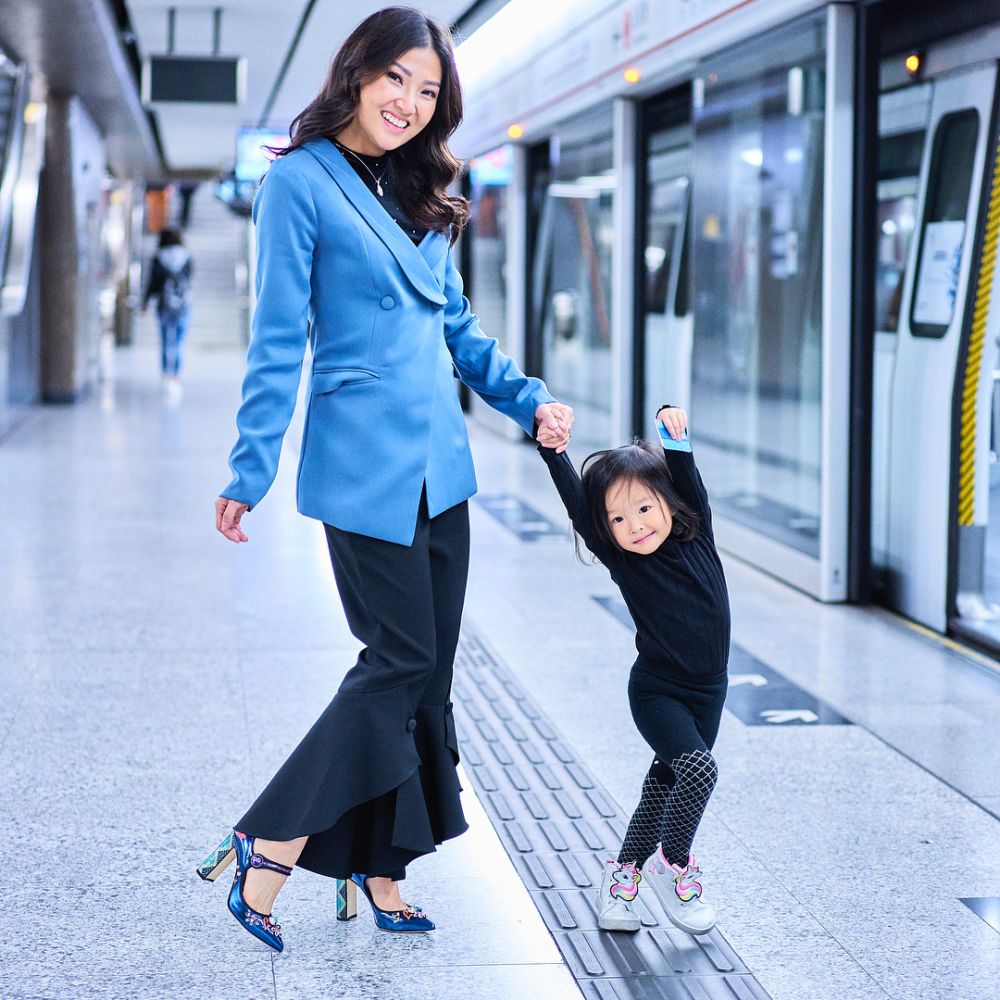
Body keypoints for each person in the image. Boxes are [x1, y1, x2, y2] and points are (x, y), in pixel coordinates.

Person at [198, 7, 573, 952]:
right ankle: (269, 839)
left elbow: (458, 331)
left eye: (429, 90)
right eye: (397, 80)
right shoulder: (298, 183)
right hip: (361, 467)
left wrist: (525, 401)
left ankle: (378, 867)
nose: (410, 103)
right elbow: (277, 342)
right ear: (357, 72)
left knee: (428, 678)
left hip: (439, 473)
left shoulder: (426, 184)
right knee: (395, 660)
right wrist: (250, 468)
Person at [536, 405, 728, 935]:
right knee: (699, 770)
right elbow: (579, 509)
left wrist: (675, 432)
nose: (635, 526)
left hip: (708, 692)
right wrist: (554, 455)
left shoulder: (698, 533)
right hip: (657, 691)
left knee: (664, 786)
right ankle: (675, 865)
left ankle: (620, 880)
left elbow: (685, 473)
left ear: (668, 503)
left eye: (644, 508)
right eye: (618, 520)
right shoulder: (625, 560)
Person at [142, 227, 192, 394]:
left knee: (165, 341)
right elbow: (188, 280)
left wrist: (144, 302)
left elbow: (152, 283)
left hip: (163, 305)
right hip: (183, 304)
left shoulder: (158, 258)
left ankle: (166, 374)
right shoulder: (187, 257)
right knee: (179, 341)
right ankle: (176, 375)